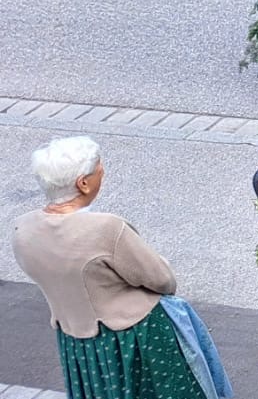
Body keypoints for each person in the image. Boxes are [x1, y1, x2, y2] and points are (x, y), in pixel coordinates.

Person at [15, 136, 226, 399]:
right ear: (83, 183)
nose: (102, 172)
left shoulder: (23, 229)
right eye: (98, 169)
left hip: (78, 342)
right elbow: (163, 280)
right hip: (134, 338)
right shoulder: (106, 229)